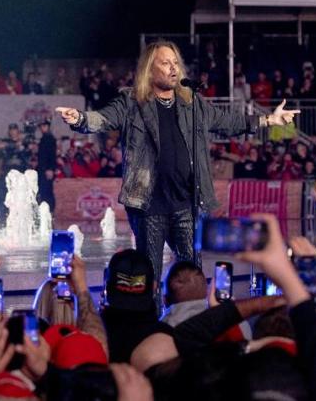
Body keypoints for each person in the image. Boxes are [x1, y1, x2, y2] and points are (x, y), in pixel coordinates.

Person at [55, 40, 299, 291]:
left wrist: (269, 119)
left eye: (175, 63)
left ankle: (188, 322)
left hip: (187, 204)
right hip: (149, 205)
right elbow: (103, 118)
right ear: (150, 69)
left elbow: (229, 121)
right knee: (150, 275)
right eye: (165, 63)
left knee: (192, 275)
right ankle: (153, 323)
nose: (173, 68)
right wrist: (80, 119)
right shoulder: (131, 103)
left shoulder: (193, 103)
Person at [37, 119, 57, 211]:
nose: (42, 128)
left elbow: (51, 155)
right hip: (43, 169)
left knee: (47, 191)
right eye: (41, 126)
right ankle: (47, 211)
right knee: (44, 191)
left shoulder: (49, 138)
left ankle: (50, 211)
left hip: (46, 169)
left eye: (44, 126)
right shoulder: (45, 138)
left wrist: (50, 169)